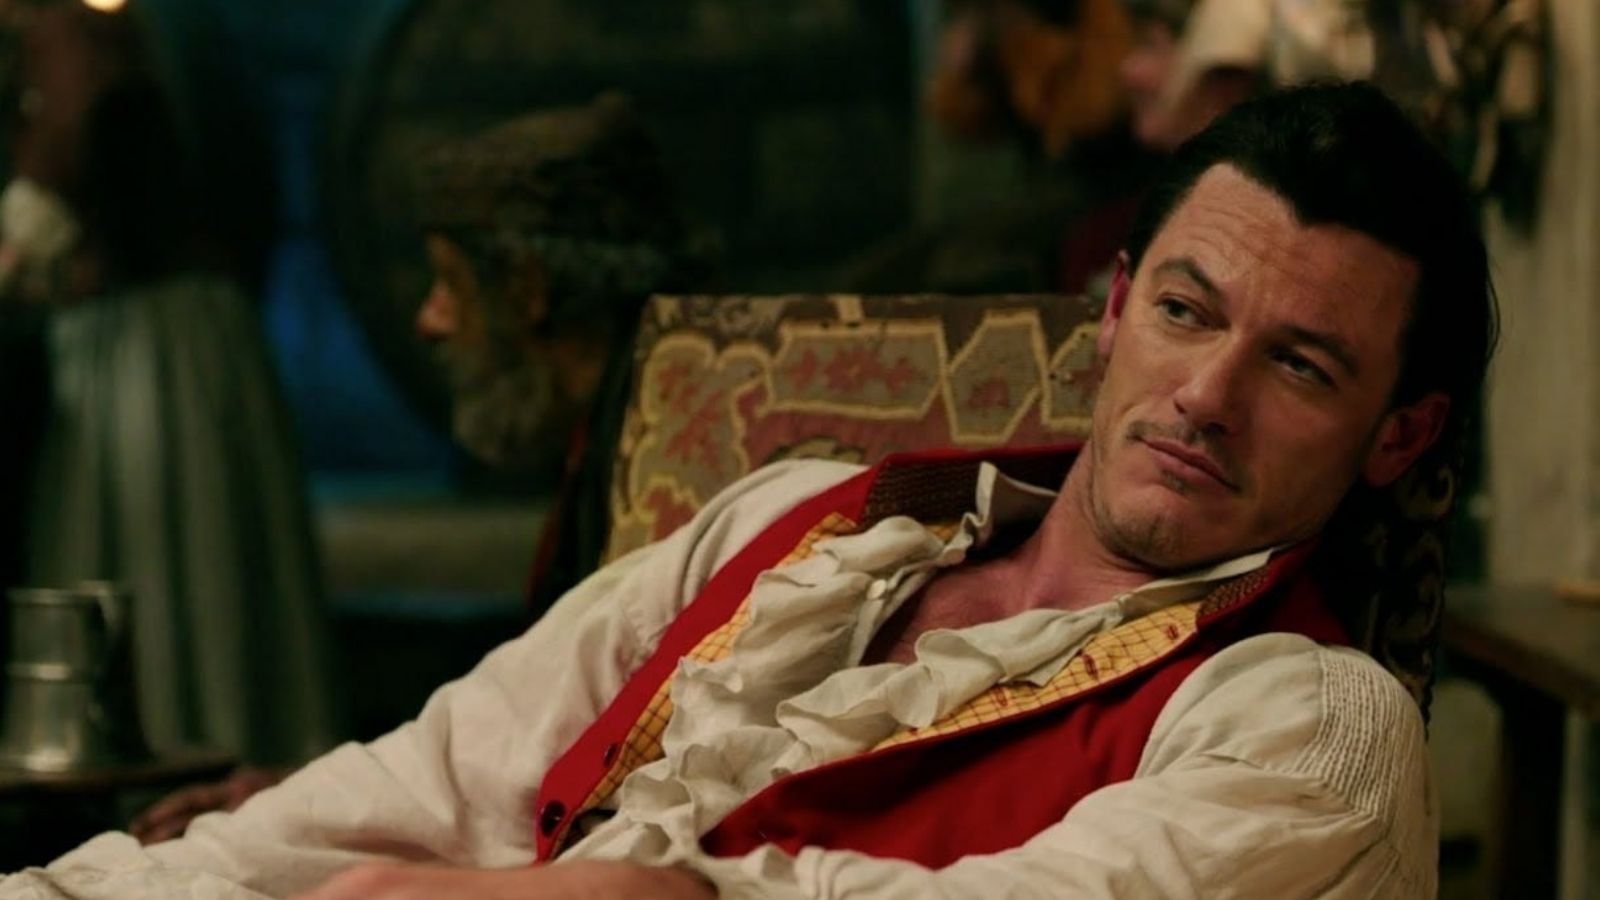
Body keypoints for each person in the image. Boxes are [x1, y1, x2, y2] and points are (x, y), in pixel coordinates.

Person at [2, 81, 1493, 898]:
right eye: (1183, 310)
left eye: (1301, 366)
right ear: (1110, 313)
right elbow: (426, 785)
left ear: (1397, 435)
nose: (1208, 395)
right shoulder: (802, 521)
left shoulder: (1312, 723)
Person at [126, 92, 709, 844]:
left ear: (528, 291)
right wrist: (309, 789)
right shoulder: (602, 439)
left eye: (449, 283)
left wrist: (317, 804)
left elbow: (581, 754)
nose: (428, 318)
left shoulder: (664, 465)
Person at [0, 0, 333, 767]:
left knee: (166, 566)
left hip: (148, 344)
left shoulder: (76, 30)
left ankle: (187, 761)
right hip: (162, 335)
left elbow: (49, 187)